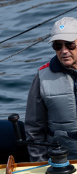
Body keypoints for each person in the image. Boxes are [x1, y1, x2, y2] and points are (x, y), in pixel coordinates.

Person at [25, 17, 77, 162]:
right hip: (61, 163)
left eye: (70, 45)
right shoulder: (42, 76)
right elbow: (34, 128)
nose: (64, 51)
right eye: (58, 46)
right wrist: (39, 164)